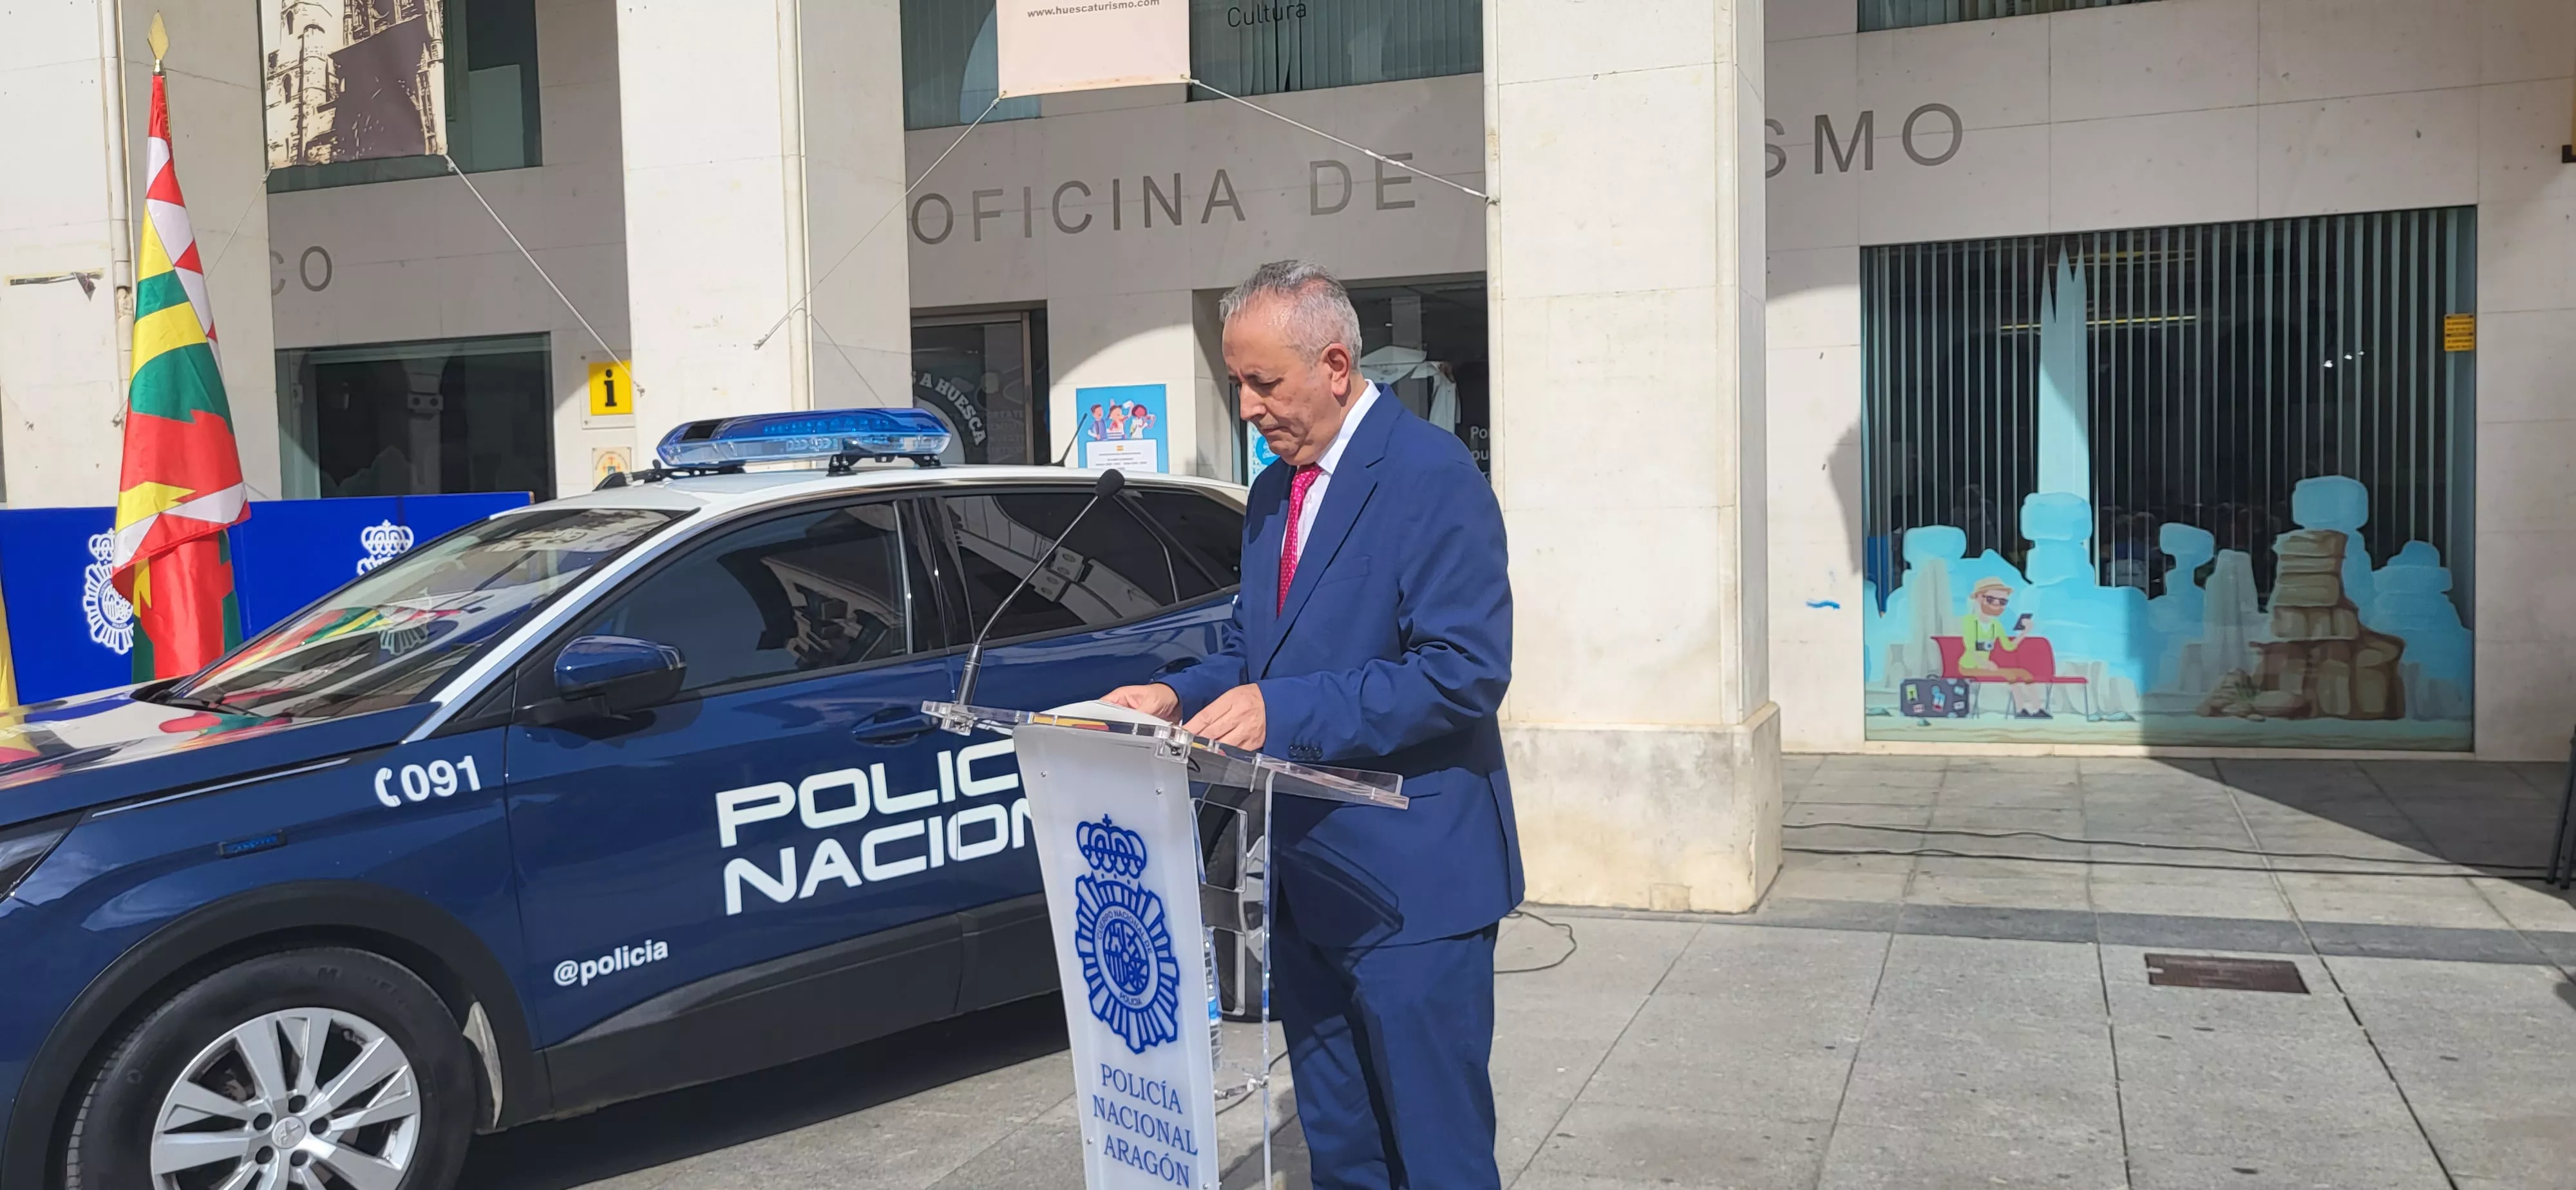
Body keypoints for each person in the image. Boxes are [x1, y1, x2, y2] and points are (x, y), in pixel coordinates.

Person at [1103, 260, 1519, 1190]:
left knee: (1438, 1154)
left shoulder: (1433, 478)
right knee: (1343, 1150)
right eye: (1236, 382)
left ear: (1335, 364)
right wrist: (1177, 694)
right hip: (1308, 879)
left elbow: (1463, 673)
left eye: (1263, 382)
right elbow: (1265, 654)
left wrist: (1281, 710)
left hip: (1413, 888)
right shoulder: (1271, 495)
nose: (1247, 407)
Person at [1962, 576, 2047, 718]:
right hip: (1968, 666)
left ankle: (2037, 709)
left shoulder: (1996, 625)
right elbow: (1970, 646)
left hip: (1986, 667)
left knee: (2026, 674)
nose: (1997, 604)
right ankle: (2020, 710)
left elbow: (2008, 647)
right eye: (1991, 599)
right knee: (2010, 675)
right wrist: (1984, 663)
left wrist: (2024, 633)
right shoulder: (1969, 621)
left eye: (2002, 601)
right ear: (1978, 598)